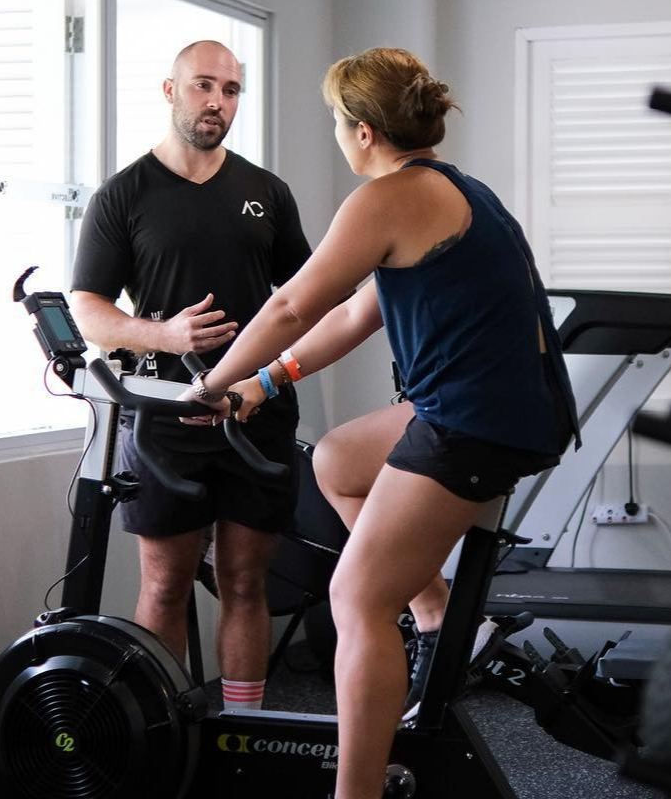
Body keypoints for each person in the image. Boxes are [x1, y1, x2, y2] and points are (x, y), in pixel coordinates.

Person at [179, 47, 579, 799]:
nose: (335, 132)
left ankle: (354, 792)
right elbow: (357, 314)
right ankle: (438, 619)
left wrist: (211, 381)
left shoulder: (386, 199)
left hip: (475, 421)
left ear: (363, 130)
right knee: (336, 460)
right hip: (484, 406)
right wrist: (260, 382)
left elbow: (294, 304)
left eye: (336, 120)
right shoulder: (451, 189)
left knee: (355, 598)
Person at [69, 39, 311, 713]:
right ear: (171, 90)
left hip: (254, 414)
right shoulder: (124, 195)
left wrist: (261, 379)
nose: (217, 101)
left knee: (243, 579)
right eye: (204, 86)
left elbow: (307, 299)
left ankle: (243, 734)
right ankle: (166, 738)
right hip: (165, 420)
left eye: (231, 90)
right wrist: (164, 335)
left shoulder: (266, 193)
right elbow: (87, 308)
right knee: (165, 585)